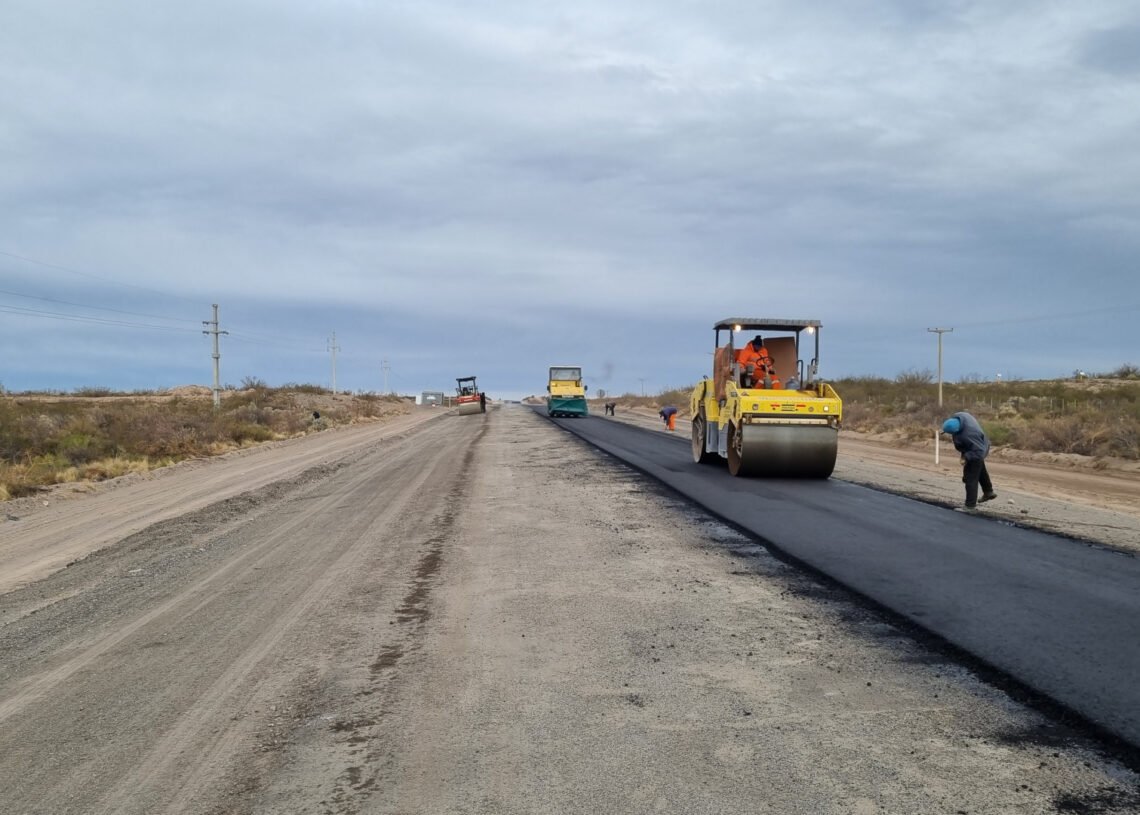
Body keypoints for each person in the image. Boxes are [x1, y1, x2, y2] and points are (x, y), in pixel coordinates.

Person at [941, 411, 997, 511]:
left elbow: (979, 452)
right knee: (979, 469)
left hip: (979, 449)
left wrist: (966, 457)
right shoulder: (961, 416)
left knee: (970, 478)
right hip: (978, 444)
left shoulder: (967, 435)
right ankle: (988, 491)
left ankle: (970, 506)